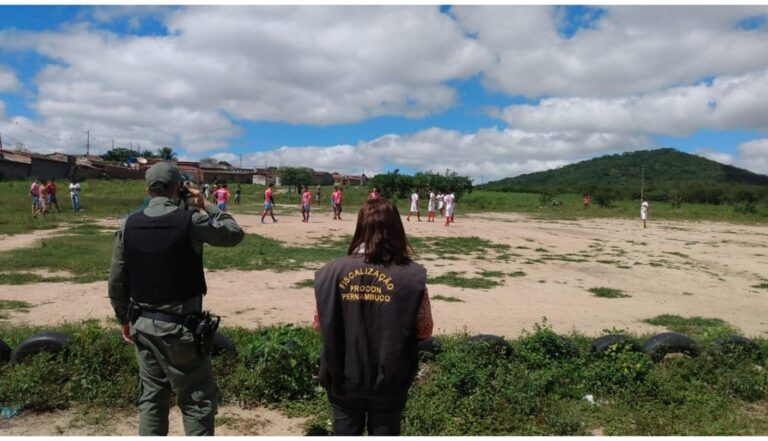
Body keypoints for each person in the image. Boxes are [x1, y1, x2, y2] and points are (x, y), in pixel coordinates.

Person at [107, 162, 244, 436]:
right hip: (181, 330)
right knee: (196, 400)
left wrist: (123, 318)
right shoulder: (190, 221)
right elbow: (233, 233)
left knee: (152, 399)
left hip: (142, 326)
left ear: (148, 189)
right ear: (177, 188)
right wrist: (206, 204)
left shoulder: (129, 225)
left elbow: (116, 280)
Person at [313, 198, 434, 436]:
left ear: (360, 227)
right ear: (397, 229)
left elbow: (319, 325)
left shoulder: (331, 271)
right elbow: (424, 330)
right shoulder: (412, 275)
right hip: (390, 377)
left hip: (342, 374)